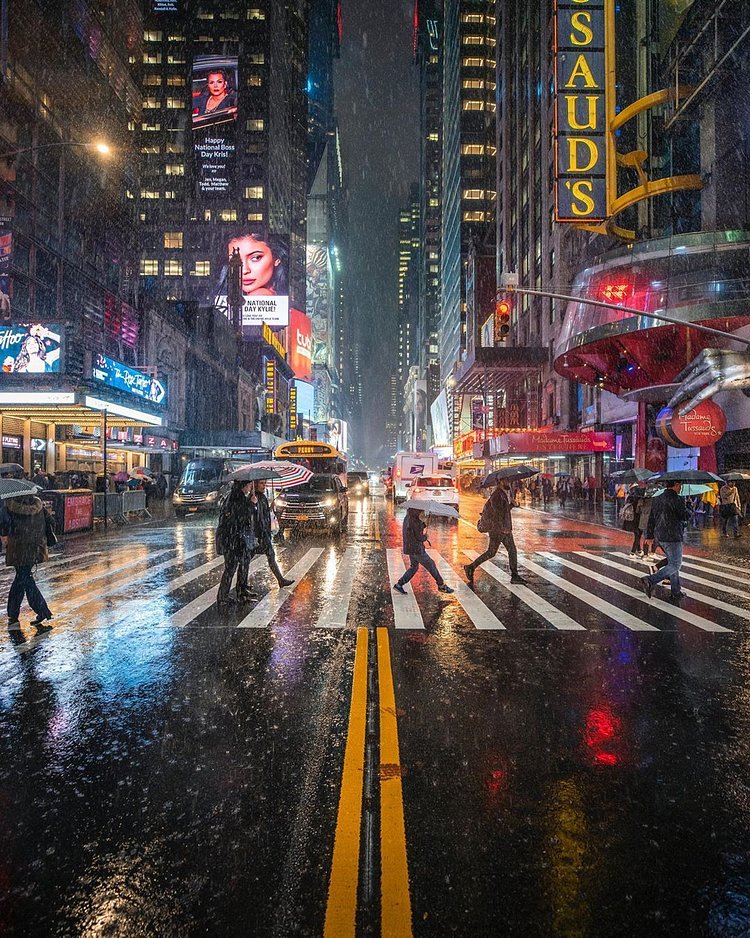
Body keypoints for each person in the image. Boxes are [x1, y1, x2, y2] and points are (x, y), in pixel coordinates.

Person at [0, 493, 54, 628]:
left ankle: (40, 611)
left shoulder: (9, 506)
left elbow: (5, 527)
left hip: (18, 548)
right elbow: (51, 521)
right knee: (23, 578)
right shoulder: (38, 505)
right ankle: (15, 613)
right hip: (35, 547)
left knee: (23, 578)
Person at [464, 478, 527, 585]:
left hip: (502, 529)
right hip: (499, 530)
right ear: (500, 482)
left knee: (494, 552)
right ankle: (514, 575)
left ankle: (471, 567)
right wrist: (503, 529)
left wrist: (511, 505)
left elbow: (502, 510)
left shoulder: (501, 494)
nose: (509, 483)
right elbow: (498, 513)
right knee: (506, 551)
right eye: (506, 481)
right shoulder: (497, 495)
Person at [640, 481, 690, 604]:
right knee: (675, 564)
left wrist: (650, 535)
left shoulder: (657, 498)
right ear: (676, 485)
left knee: (672, 562)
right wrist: (688, 506)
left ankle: (676, 591)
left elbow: (651, 518)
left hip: (660, 536)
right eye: (680, 486)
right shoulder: (678, 499)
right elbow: (684, 516)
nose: (681, 488)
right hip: (673, 536)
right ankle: (650, 580)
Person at [215, 480, 257, 606]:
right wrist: (251, 504)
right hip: (231, 539)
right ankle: (223, 597)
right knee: (230, 567)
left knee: (242, 563)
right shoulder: (236, 497)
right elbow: (240, 517)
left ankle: (241, 590)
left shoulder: (236, 496)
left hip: (234, 538)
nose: (250, 487)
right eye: (249, 484)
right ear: (244, 485)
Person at [394, 507, 454, 595]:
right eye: (420, 511)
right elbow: (419, 537)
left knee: (414, 567)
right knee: (431, 565)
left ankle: (399, 584)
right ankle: (441, 585)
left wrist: (422, 524)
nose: (422, 512)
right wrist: (426, 537)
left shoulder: (408, 517)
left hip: (410, 548)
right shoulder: (415, 521)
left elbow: (412, 530)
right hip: (417, 549)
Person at [249, 479, 294, 588]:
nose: (264, 486)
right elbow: (255, 517)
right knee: (247, 559)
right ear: (255, 484)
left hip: (264, 533)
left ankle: (280, 580)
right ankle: (241, 584)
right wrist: (252, 504)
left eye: (265, 483)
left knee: (270, 556)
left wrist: (271, 507)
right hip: (259, 534)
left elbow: (264, 514)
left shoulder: (262, 497)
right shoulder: (253, 498)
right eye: (261, 483)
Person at [621, 484, 643, 556]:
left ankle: (639, 550)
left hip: (631, 518)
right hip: (638, 517)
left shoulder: (630, 495)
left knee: (637, 534)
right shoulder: (639, 496)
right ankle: (633, 552)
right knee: (638, 534)